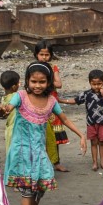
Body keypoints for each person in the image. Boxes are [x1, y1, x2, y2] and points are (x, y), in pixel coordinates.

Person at [2, 62, 87, 205]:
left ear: (48, 82)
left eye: (42, 82)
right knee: (27, 191)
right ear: (27, 81)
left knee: (40, 188)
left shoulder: (51, 101)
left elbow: (63, 118)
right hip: (22, 152)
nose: (37, 85)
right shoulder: (20, 96)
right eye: (34, 81)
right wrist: (4, 109)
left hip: (39, 153)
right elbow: (8, 108)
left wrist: (81, 134)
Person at [59, 69, 103, 171]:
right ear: (90, 83)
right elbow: (75, 100)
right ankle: (94, 162)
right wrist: (61, 100)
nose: (96, 86)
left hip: (102, 122)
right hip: (91, 122)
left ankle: (102, 162)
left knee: (102, 142)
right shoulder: (87, 94)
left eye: (99, 84)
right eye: (94, 84)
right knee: (93, 142)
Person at [33, 40, 69, 172]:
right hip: (37, 103)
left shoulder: (53, 67)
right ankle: (42, 162)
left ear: (51, 55)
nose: (44, 57)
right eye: (41, 54)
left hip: (51, 104)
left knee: (54, 134)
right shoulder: (33, 68)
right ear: (36, 54)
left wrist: (45, 83)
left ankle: (56, 161)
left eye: (47, 55)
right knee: (39, 134)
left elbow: (59, 84)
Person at [0, 70, 20, 153]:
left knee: (10, 151)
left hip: (8, 130)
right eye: (18, 83)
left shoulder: (3, 98)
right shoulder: (17, 97)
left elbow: (2, 115)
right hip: (17, 129)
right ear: (14, 87)